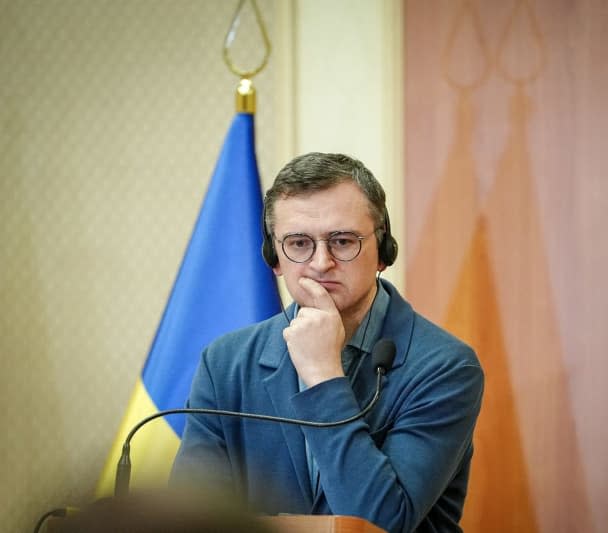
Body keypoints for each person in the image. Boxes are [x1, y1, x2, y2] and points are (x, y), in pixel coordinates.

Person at [171, 152, 484, 533]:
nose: (321, 263)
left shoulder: (445, 367)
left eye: (342, 241)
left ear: (383, 252)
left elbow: (383, 523)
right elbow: (192, 519)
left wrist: (322, 375)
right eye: (299, 243)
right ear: (274, 258)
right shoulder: (225, 363)